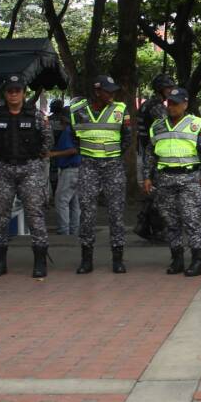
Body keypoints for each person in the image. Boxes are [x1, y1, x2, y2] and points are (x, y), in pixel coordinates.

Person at [0, 76, 54, 278]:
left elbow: (47, 140)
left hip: (29, 167)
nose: (13, 94)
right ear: (5, 93)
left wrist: (35, 156)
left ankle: (40, 262)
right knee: (0, 216)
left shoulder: (36, 116)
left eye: (17, 90)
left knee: (35, 216)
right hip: (3, 168)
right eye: (10, 90)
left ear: (24, 92)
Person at [143, 86, 201, 276]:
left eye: (175, 103)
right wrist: (147, 177)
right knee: (170, 222)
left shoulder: (197, 124)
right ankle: (177, 259)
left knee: (191, 220)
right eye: (169, 103)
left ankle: (198, 261)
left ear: (185, 104)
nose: (171, 107)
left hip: (189, 179)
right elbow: (150, 154)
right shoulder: (157, 126)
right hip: (164, 179)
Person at [71, 75, 132, 274]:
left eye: (113, 91)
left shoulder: (120, 110)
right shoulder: (78, 111)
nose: (112, 94)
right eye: (108, 91)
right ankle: (86, 259)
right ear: (97, 91)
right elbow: (74, 138)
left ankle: (118, 259)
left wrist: (111, 155)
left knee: (116, 213)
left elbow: (127, 139)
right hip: (89, 166)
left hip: (113, 166)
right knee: (87, 214)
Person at [49, 100, 81, 235]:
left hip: (70, 169)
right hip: (78, 169)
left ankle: (64, 230)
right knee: (74, 203)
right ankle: (74, 230)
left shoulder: (68, 131)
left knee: (61, 200)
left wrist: (54, 153)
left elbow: (73, 150)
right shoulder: (75, 130)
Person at [137, 74, 174, 168]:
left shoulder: (148, 103)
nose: (171, 91)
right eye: (168, 88)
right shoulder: (156, 106)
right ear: (160, 89)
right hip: (153, 149)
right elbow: (169, 126)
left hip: (146, 146)